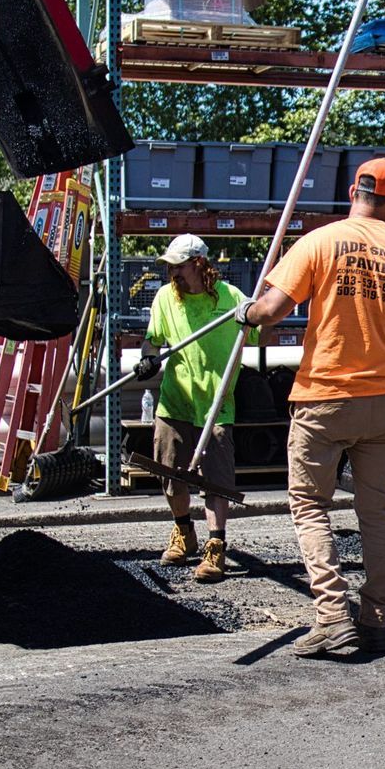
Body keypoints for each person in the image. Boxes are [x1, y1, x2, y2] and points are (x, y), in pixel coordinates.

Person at [236, 157, 385, 658]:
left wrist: (246, 310)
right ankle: (374, 620)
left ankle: (333, 617)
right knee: (376, 510)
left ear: (354, 190)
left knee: (311, 505)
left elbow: (269, 312)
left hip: (324, 398)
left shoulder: (319, 241)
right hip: (384, 401)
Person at [134, 233, 256, 583]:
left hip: (217, 404)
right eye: (170, 266)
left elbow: (261, 329)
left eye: (179, 266)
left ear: (200, 265)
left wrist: (256, 313)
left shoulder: (234, 300)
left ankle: (215, 546)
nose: (173, 272)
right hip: (175, 402)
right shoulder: (164, 299)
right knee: (168, 471)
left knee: (217, 479)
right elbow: (152, 341)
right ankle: (183, 531)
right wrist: (148, 361)